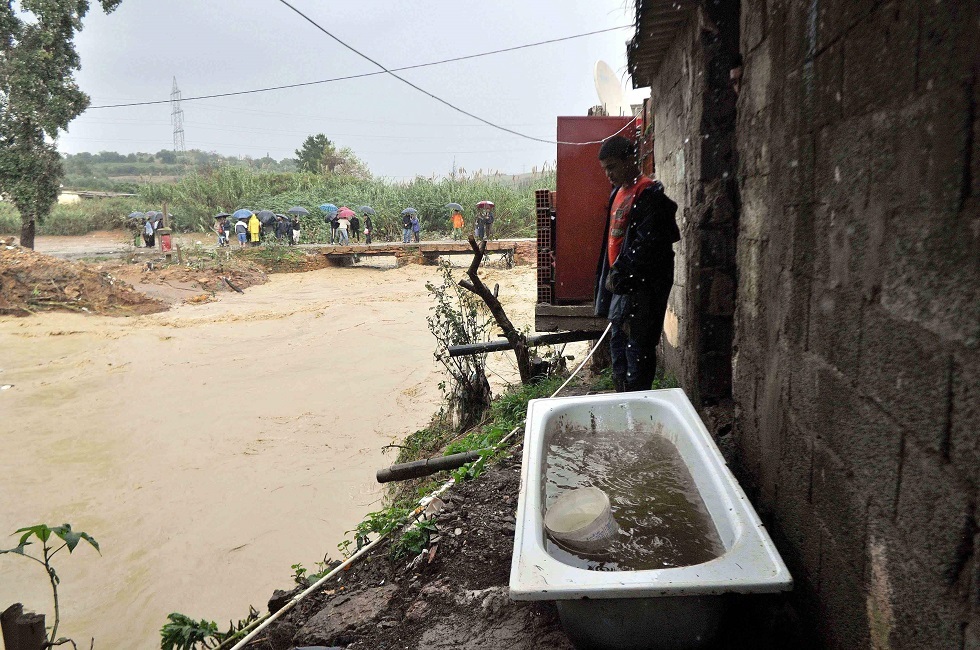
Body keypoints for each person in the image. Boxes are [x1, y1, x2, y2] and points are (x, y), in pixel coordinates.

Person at [593, 135, 680, 393]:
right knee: (618, 349)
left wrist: (624, 273)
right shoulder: (618, 193)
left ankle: (638, 405)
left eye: (613, 166)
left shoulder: (649, 195)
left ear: (629, 159)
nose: (609, 173)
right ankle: (624, 400)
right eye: (605, 169)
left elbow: (647, 248)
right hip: (622, 286)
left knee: (637, 351)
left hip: (643, 289)